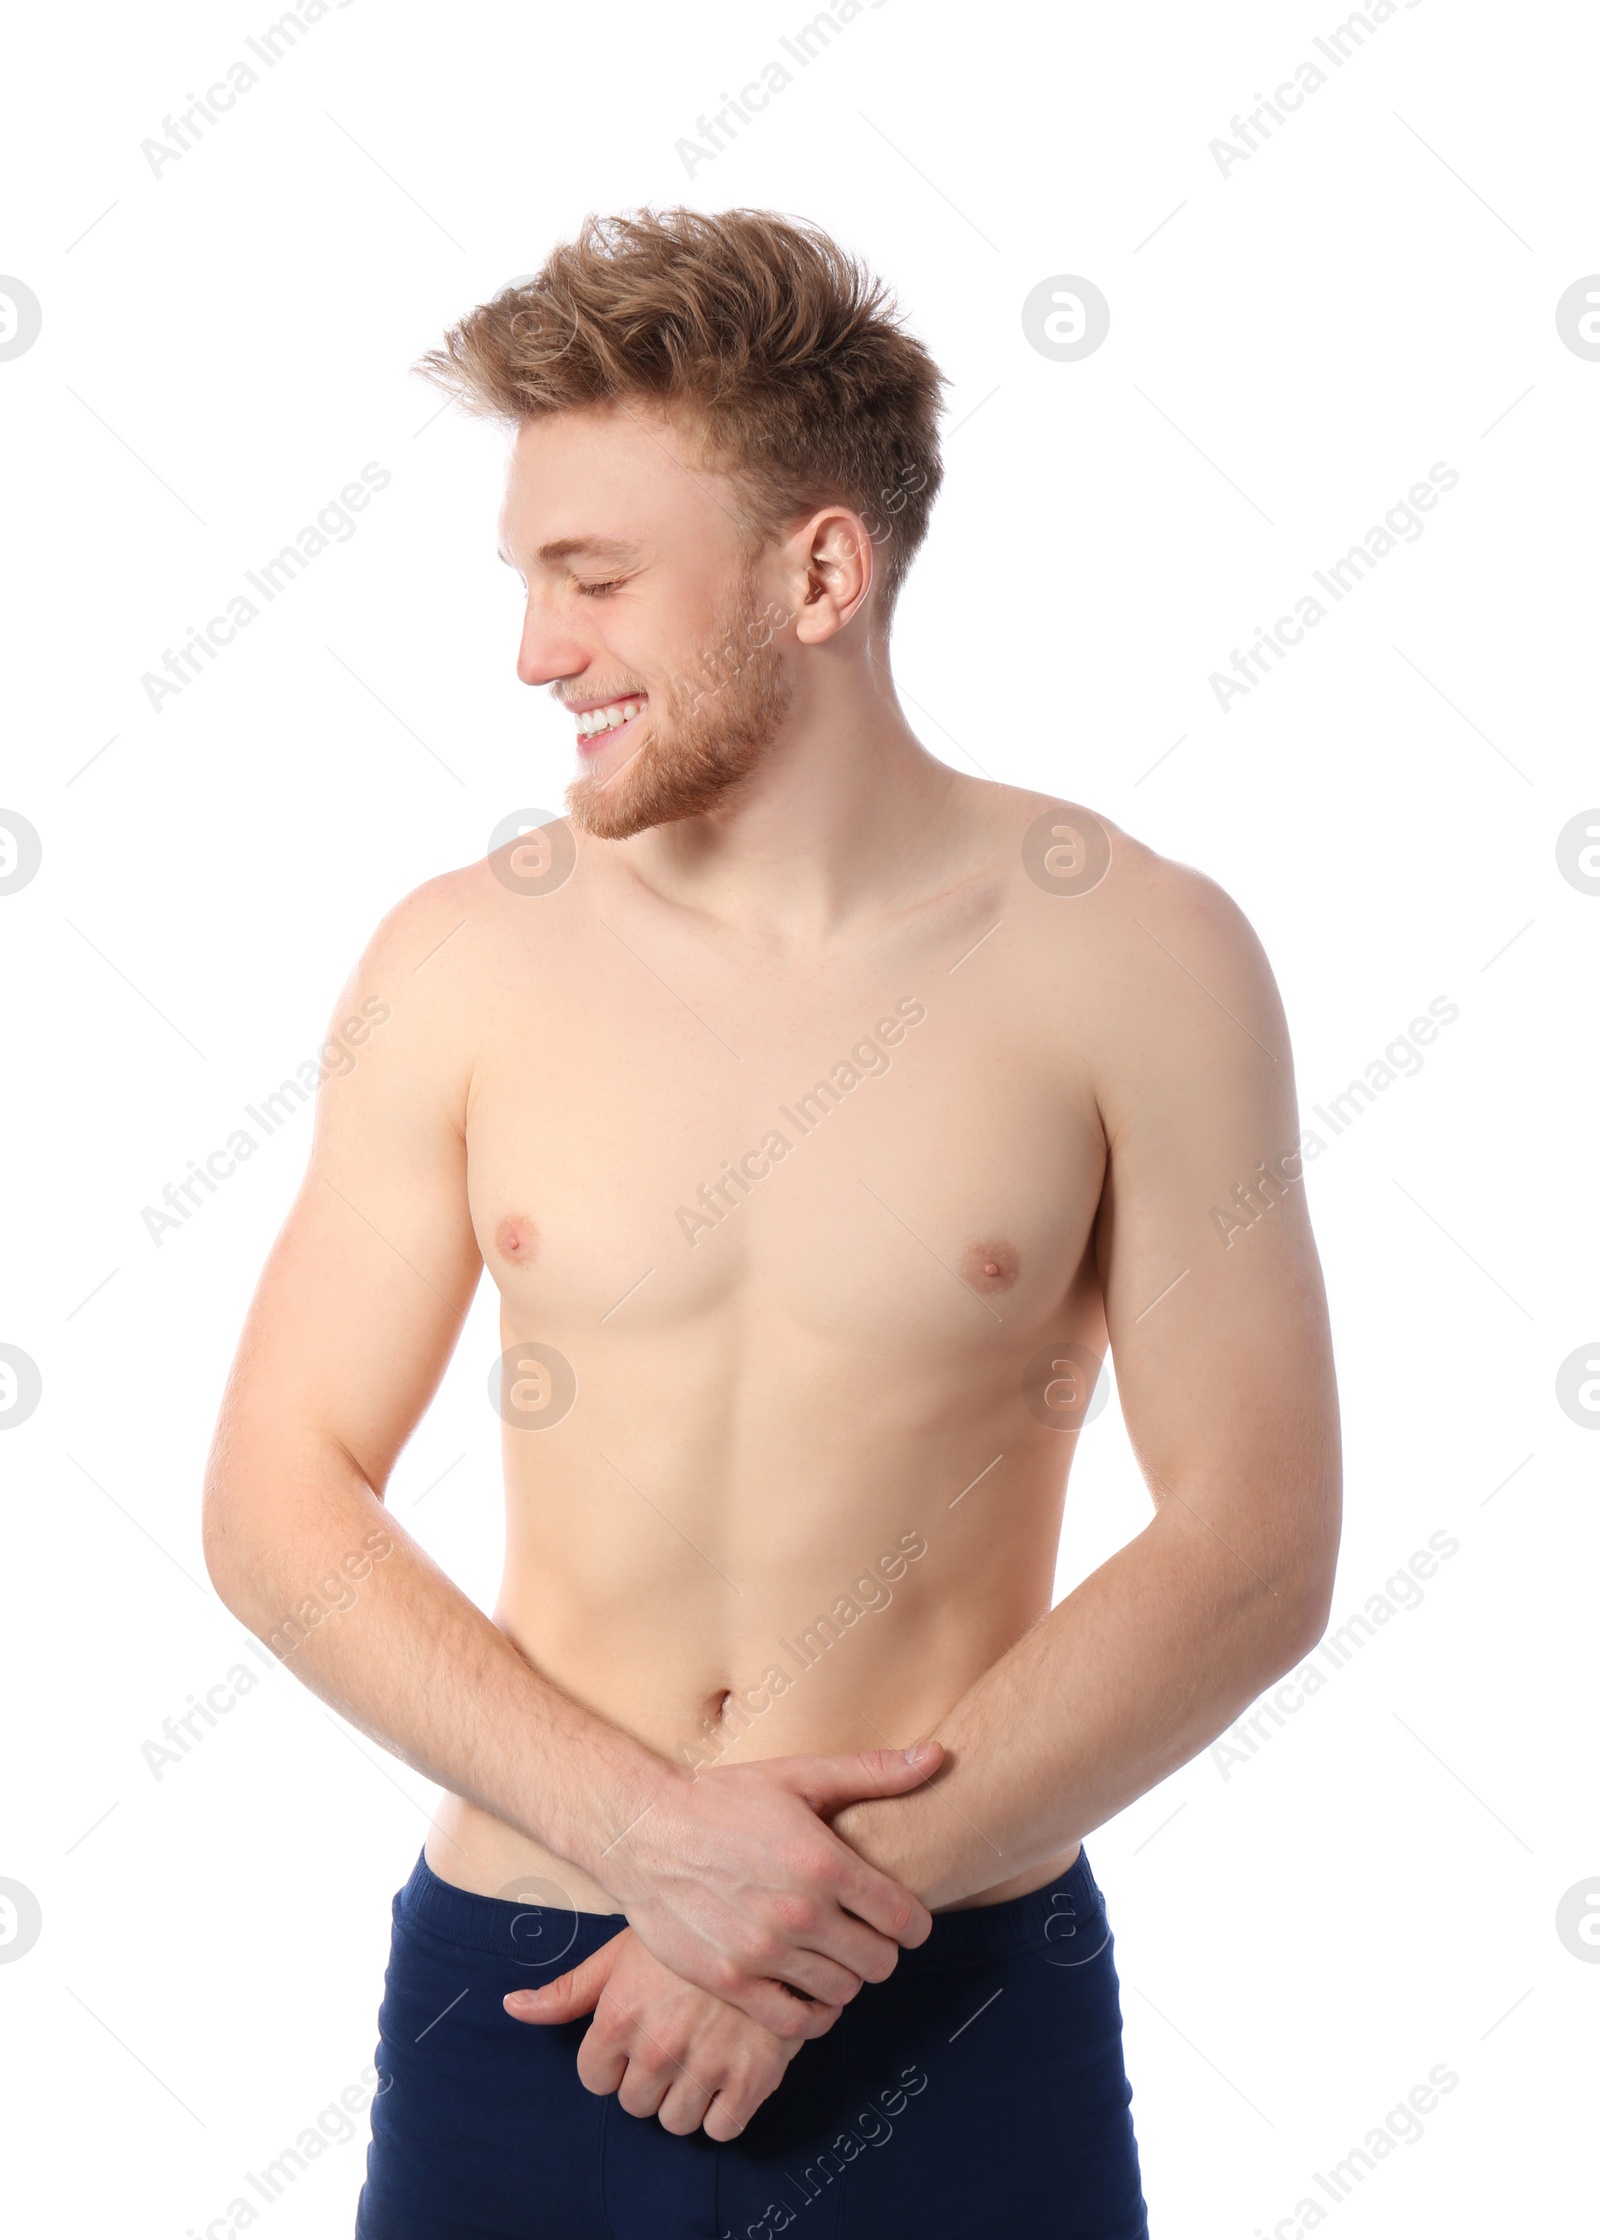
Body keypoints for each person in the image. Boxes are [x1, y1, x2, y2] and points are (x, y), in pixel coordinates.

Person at [202, 206, 1341, 2240]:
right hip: (532, 1983)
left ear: (816, 569)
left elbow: (1253, 1541)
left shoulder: (1133, 952)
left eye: (593, 578)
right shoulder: (461, 963)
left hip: (956, 2007)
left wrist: (800, 1923)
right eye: (529, 579)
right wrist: (653, 1843)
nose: (535, 651)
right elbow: (278, 1499)